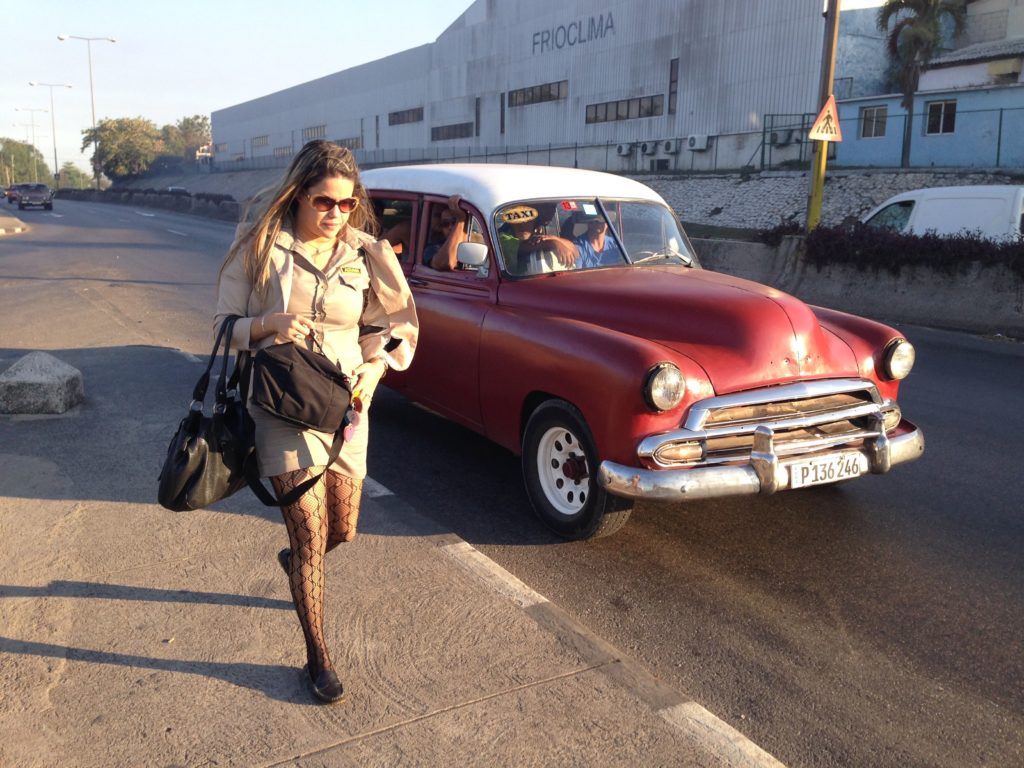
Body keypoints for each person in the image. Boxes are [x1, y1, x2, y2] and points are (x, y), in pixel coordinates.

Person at [214, 140, 418, 704]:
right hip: (280, 406)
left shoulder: (366, 253)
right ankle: (318, 657)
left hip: (347, 409)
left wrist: (376, 368)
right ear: (298, 194)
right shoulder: (259, 246)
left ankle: (298, 558)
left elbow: (396, 327)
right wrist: (267, 324)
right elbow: (221, 325)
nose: (334, 214)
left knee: (342, 529)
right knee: (309, 535)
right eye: (323, 201)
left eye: (346, 204)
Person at [498, 202, 578, 274]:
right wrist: (552, 243)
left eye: (527, 220)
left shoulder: (538, 234)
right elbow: (520, 248)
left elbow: (574, 250)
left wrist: (554, 239)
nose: (522, 225)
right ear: (511, 223)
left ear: (535, 221)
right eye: (517, 220)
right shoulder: (503, 238)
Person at [423, 194, 470, 270]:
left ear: (467, 223)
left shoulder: (477, 242)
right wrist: (460, 220)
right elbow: (447, 263)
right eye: (445, 224)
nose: (450, 227)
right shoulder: (433, 248)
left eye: (454, 222)